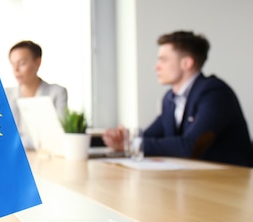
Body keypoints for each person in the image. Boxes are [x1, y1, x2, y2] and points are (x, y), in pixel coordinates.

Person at [103, 30, 253, 167]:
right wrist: (123, 140)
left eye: (163, 60)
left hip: (231, 181)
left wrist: (132, 144)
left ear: (186, 63)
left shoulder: (214, 93)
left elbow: (190, 146)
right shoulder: (170, 99)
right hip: (196, 180)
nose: (156, 67)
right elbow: (149, 136)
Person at [5, 40, 68, 149]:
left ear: (37, 63)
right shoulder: (7, 94)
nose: (16, 70)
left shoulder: (57, 92)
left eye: (22, 63)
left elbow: (59, 136)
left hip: (47, 155)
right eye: (13, 64)